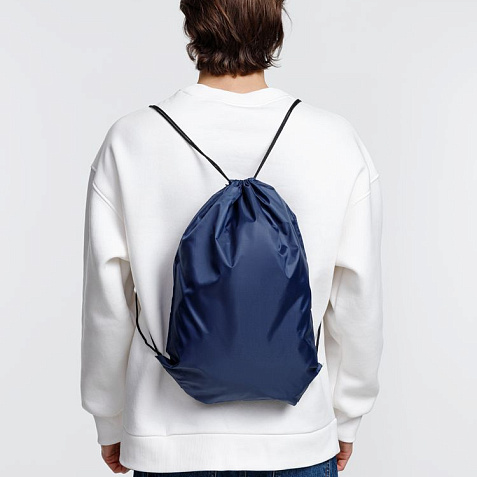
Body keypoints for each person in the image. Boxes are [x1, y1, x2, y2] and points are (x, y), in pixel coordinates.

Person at [80, 0, 384, 475]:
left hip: (169, 444)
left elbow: (107, 305)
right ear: (275, 19)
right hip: (298, 443)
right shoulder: (335, 139)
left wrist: (110, 418)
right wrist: (346, 416)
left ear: (192, 20)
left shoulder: (131, 140)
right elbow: (357, 301)